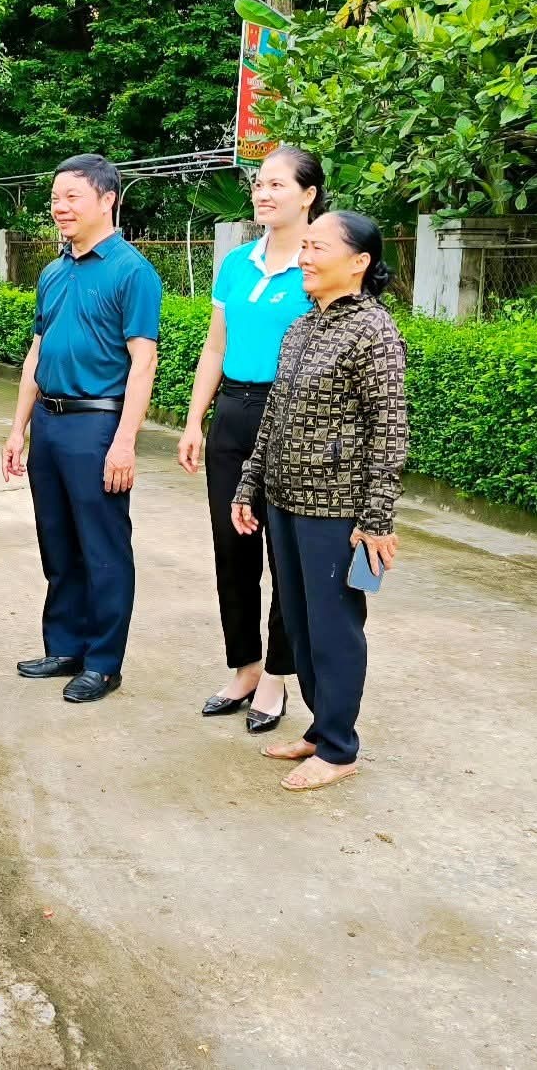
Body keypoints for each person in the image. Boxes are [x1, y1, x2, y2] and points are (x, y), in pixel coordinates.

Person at [231, 211, 407, 792]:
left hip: (337, 510)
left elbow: (389, 430)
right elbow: (274, 415)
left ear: (359, 262)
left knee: (334, 629)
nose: (304, 257)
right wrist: (250, 485)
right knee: (301, 627)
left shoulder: (374, 331)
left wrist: (376, 519)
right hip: (284, 501)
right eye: (303, 246)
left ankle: (339, 748)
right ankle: (319, 726)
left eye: (317, 247)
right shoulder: (303, 327)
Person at [2, 154, 161, 705]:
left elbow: (143, 362)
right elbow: (36, 352)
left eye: (72, 196)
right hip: (49, 423)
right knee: (58, 541)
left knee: (103, 547)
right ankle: (65, 646)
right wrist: (18, 429)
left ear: (106, 199)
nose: (60, 207)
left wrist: (125, 441)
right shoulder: (53, 271)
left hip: (97, 425)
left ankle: (103, 663)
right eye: (55, 197)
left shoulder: (132, 271)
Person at [178, 145, 323, 731]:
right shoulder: (238, 263)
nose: (263, 193)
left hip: (292, 415)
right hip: (234, 412)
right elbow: (216, 346)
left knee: (285, 551)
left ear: (309, 195)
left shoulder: (320, 266)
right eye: (259, 184)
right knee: (231, 547)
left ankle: (277, 676)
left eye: (277, 184)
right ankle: (244, 665)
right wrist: (195, 419)